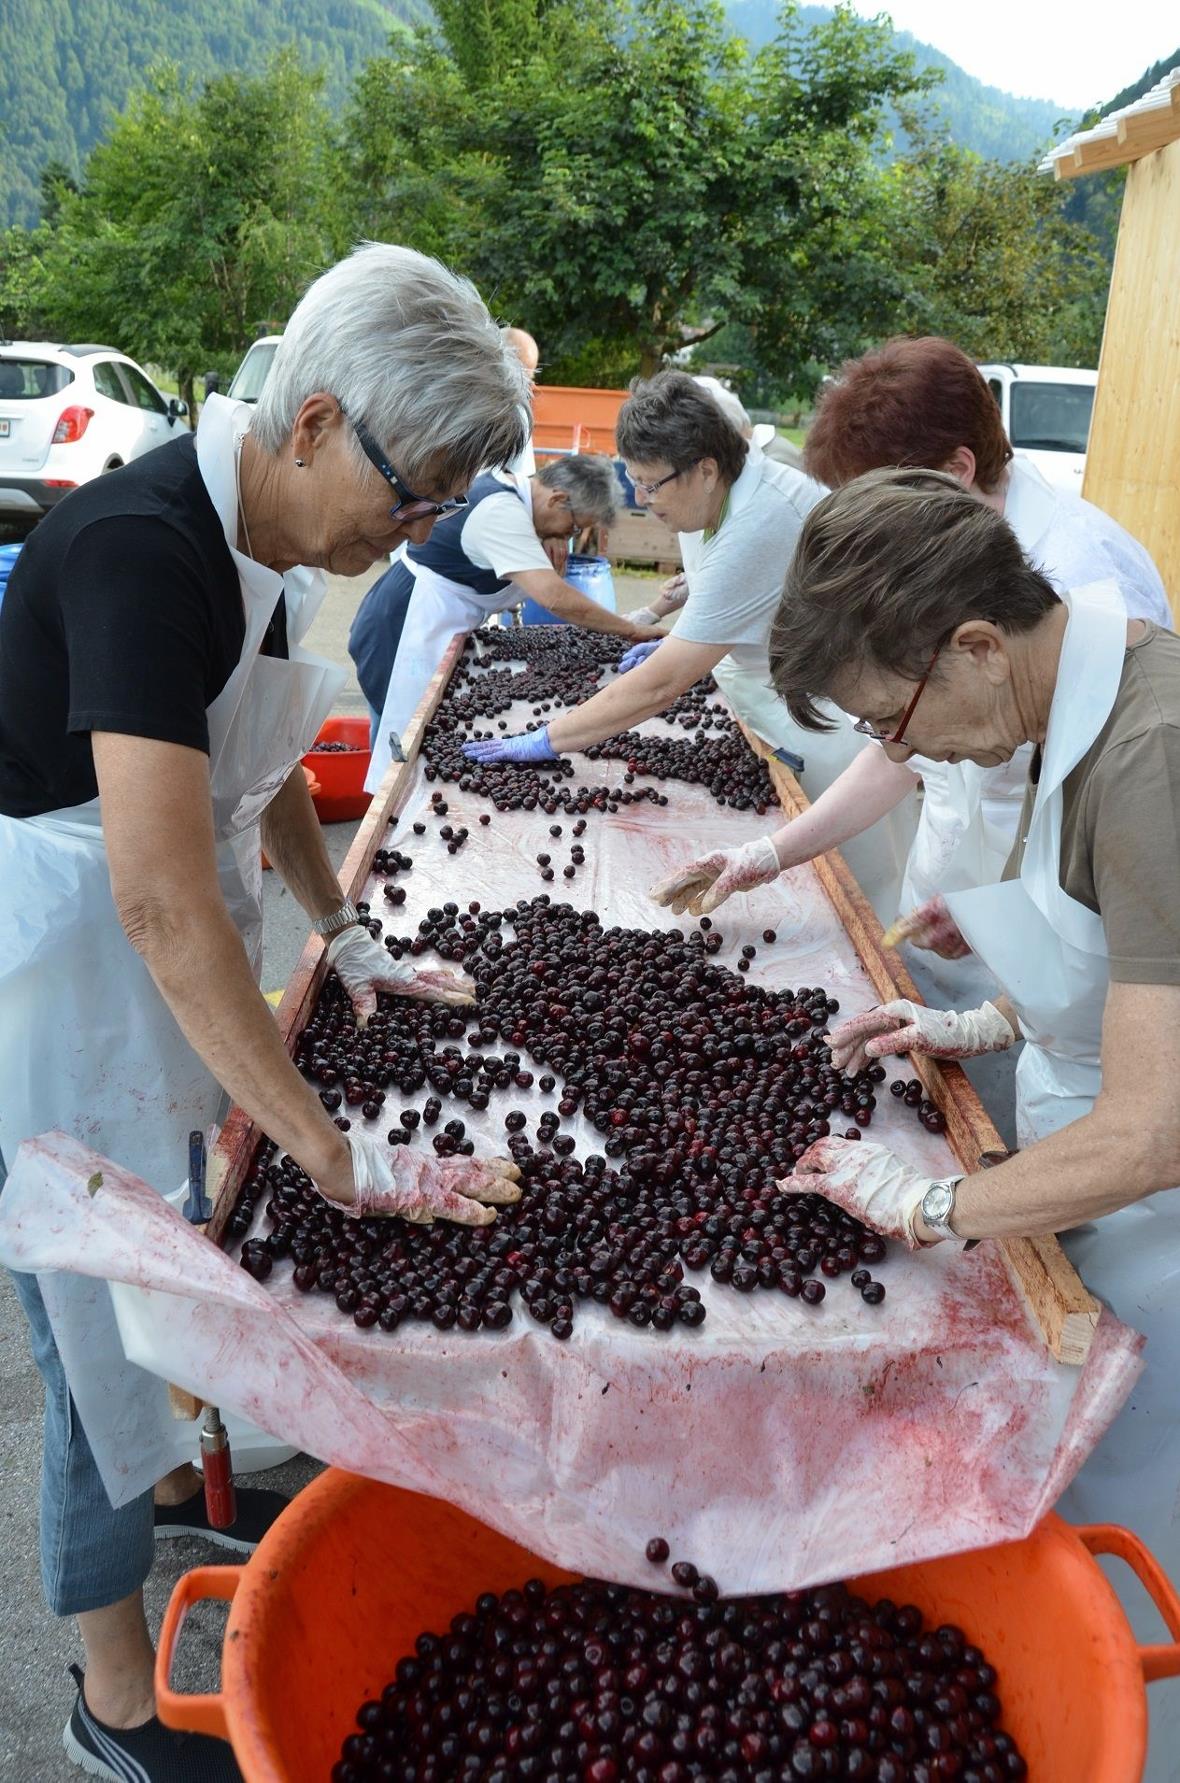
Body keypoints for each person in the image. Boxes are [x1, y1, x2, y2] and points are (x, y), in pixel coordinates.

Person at [0, 242, 528, 1782]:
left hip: (144, 957)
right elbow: (161, 896)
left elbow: (266, 771)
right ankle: (108, 1700)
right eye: (412, 496)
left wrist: (345, 938)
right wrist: (327, 1142)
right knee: (85, 1339)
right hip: (53, 979)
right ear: (313, 424)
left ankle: (181, 1488)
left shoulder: (260, 542)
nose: (411, 532)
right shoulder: (140, 549)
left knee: (182, 1236)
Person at [766, 466, 1180, 1773]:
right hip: (1113, 1175)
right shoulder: (1072, 700)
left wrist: (928, 1201)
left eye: (898, 720)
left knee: (1145, 1526)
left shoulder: (1147, 754)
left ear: (977, 644)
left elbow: (1158, 1126)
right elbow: (1140, 961)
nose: (907, 756)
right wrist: (990, 1017)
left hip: (1162, 1204)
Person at [651, 338, 1172, 987]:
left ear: (954, 470)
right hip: (972, 913)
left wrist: (1007, 967)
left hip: (1059, 961)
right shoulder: (942, 581)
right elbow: (905, 743)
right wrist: (771, 853)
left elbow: (1121, 909)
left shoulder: (1086, 584)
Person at [462, 369, 917, 917]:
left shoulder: (758, 520)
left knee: (852, 891)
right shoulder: (704, 499)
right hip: (764, 692)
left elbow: (662, 684)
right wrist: (686, 633)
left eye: (651, 484)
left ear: (705, 469)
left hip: (829, 721)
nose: (639, 497)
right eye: (633, 480)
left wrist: (549, 739)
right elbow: (723, 598)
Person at [354, 454, 662, 786]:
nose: (568, 536)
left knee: (419, 735)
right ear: (557, 499)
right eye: (573, 528)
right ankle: (386, 825)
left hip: (435, 619)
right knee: (402, 740)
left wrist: (550, 533)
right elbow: (554, 597)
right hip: (406, 626)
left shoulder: (516, 492)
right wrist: (631, 629)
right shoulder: (500, 513)